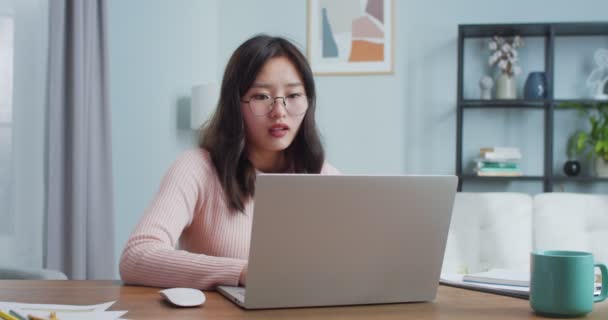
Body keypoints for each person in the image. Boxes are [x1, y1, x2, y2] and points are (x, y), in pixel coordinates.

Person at [119, 35, 339, 290]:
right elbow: (136, 256)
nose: (279, 111)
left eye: (293, 95)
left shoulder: (324, 176)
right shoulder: (196, 169)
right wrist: (243, 272)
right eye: (261, 96)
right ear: (236, 105)